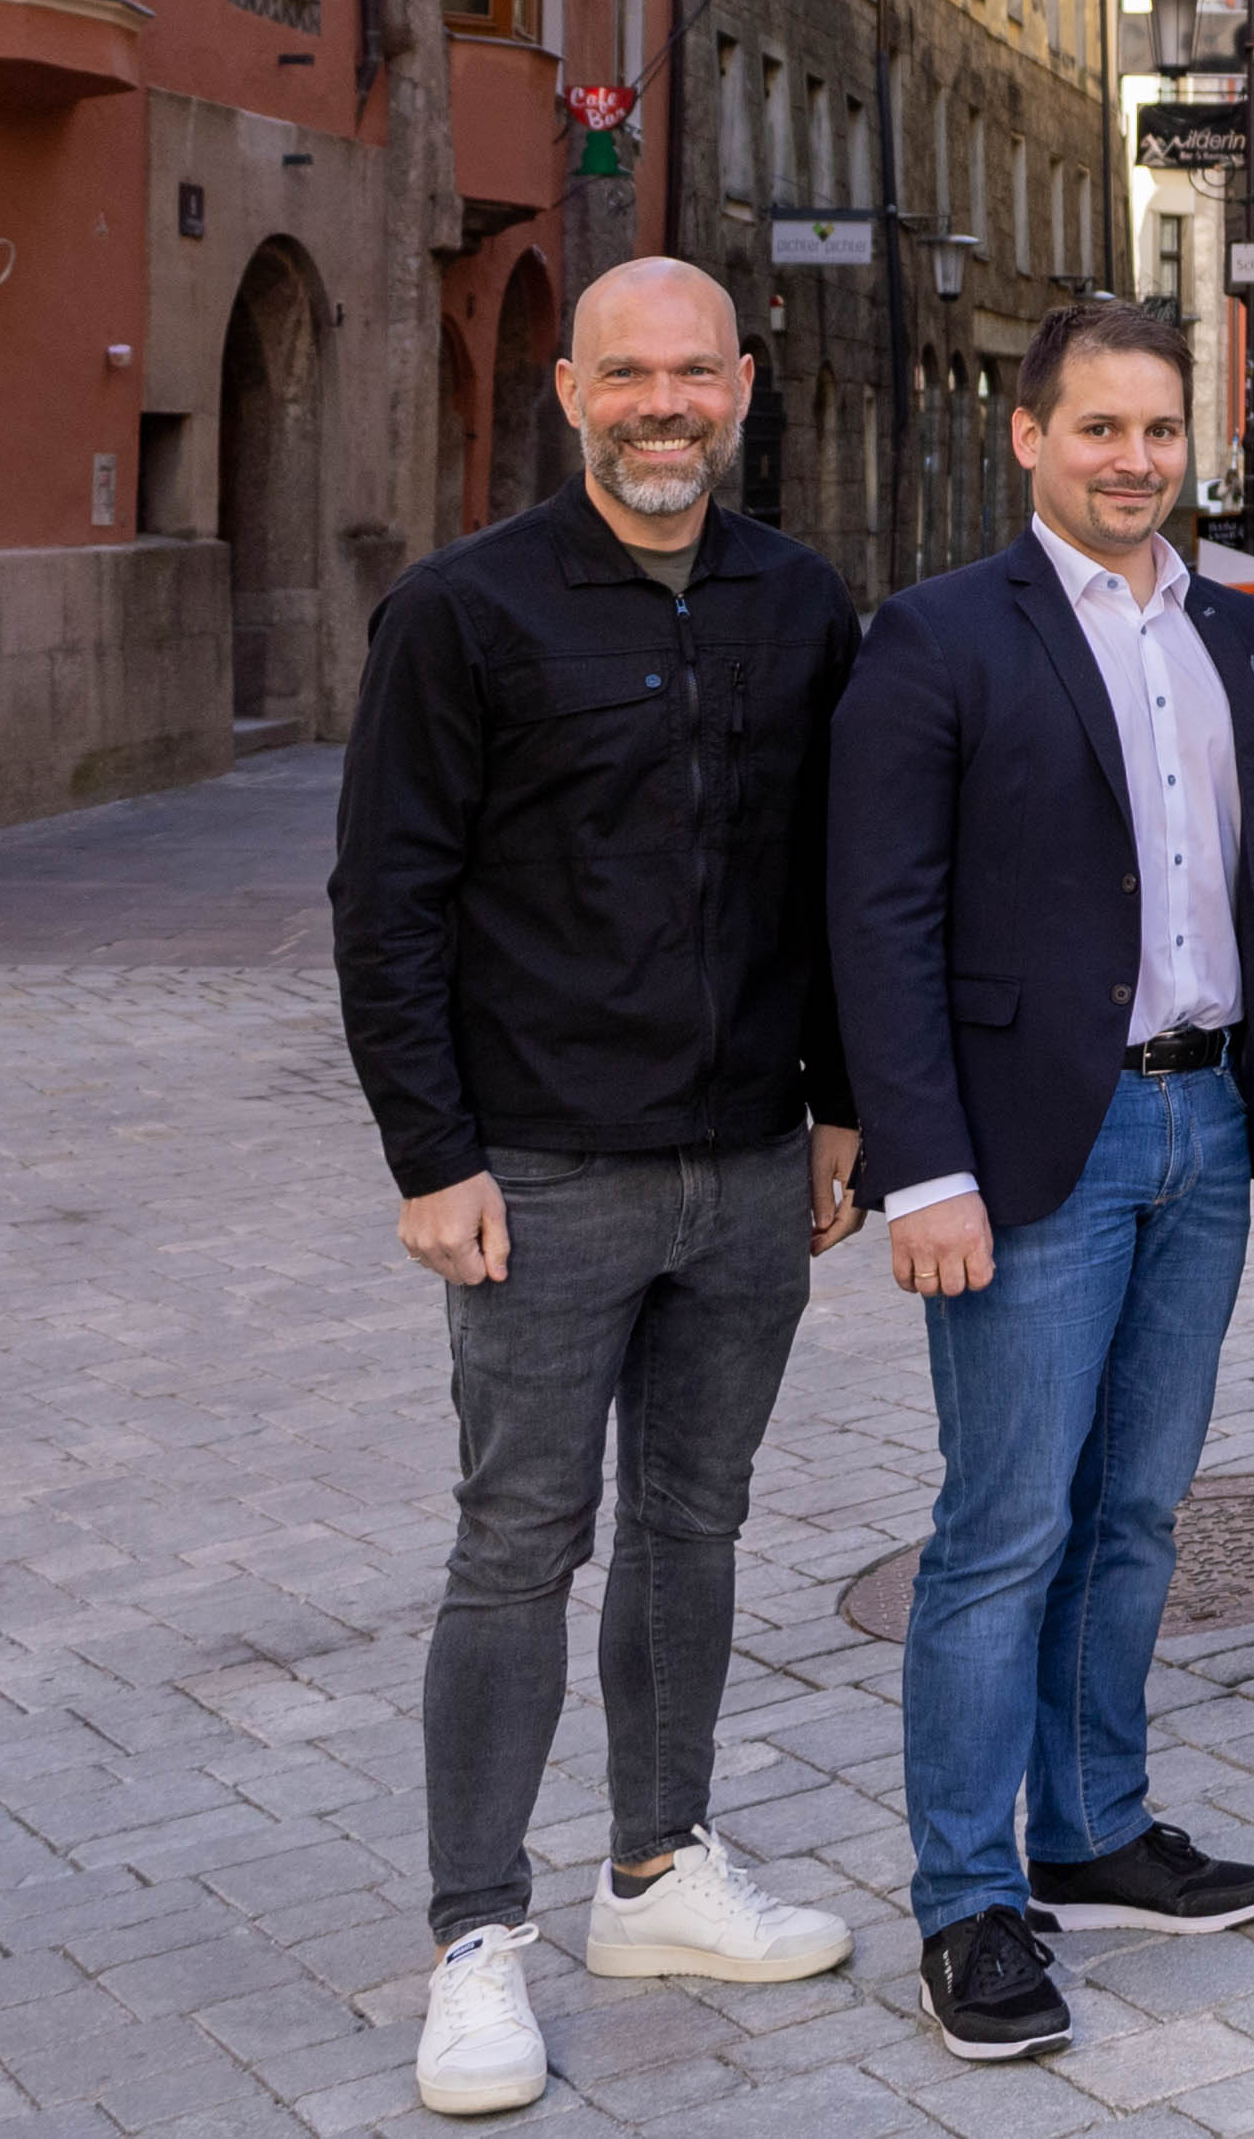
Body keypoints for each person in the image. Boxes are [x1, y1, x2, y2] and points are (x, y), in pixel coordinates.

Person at [331, 259, 870, 2120]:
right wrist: (433, 1157)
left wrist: (842, 1106)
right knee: (514, 1544)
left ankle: (656, 1871)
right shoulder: (464, 612)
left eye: (694, 373)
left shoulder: (802, 603)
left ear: (740, 386)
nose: (664, 403)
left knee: (695, 1527)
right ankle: (479, 1938)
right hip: (539, 1176)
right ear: (571, 392)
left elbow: (833, 880)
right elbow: (385, 900)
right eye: (627, 373)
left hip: (743, 1168)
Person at [827, 301, 1254, 2069]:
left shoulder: (1239, 634)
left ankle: (1094, 1820)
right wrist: (925, 1171)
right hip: (1031, 1149)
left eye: (1157, 431)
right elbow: (879, 924)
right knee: (1003, 1531)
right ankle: (969, 1900)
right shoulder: (932, 639)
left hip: (1209, 1128)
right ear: (1029, 437)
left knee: (1139, 1510)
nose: (1132, 460)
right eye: (1099, 428)